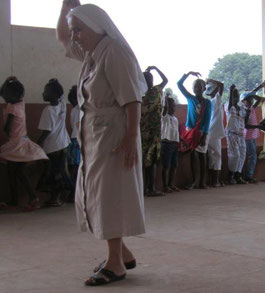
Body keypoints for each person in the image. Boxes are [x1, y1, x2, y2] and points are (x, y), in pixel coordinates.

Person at [58, 1, 147, 285]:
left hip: (114, 136)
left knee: (108, 195)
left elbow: (132, 98)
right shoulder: (92, 54)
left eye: (79, 30)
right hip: (96, 136)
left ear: (96, 27)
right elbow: (61, 37)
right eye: (74, 30)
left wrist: (131, 138)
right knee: (95, 194)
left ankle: (115, 264)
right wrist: (66, 7)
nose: (74, 36)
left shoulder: (114, 52)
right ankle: (123, 253)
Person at [0, 77, 48, 211]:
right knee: (15, 172)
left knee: (17, 172)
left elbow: (6, 128)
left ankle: (31, 198)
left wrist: (6, 83)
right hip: (23, 141)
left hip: (15, 144)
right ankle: (18, 199)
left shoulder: (11, 109)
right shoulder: (21, 103)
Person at [37, 78, 73, 207]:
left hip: (52, 147)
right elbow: (62, 96)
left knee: (53, 173)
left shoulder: (48, 110)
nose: (43, 94)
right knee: (62, 170)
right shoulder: (62, 105)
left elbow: (46, 131)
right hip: (63, 144)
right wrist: (56, 82)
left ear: (54, 95)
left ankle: (55, 198)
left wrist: (37, 144)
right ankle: (70, 193)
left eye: (46, 91)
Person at [178, 71, 213, 189]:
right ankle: (194, 182)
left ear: (204, 89)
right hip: (191, 131)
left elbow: (207, 120)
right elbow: (179, 84)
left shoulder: (207, 102)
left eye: (200, 86)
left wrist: (204, 135)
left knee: (202, 156)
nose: (197, 88)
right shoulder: (190, 98)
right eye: (195, 86)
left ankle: (202, 182)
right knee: (193, 155)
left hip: (202, 132)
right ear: (193, 89)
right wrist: (187, 74)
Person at [141, 65, 168, 197]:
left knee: (149, 161)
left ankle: (148, 188)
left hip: (150, 133)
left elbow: (165, 81)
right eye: (148, 79)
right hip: (148, 133)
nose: (150, 81)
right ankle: (149, 188)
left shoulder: (144, 93)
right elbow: (165, 80)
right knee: (150, 161)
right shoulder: (148, 92)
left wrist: (155, 69)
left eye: (150, 79)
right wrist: (156, 69)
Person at [225, 85, 248, 184]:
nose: (235, 97)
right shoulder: (228, 105)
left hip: (241, 134)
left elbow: (245, 121)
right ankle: (230, 175)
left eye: (237, 96)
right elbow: (230, 105)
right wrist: (230, 91)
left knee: (242, 154)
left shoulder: (242, 107)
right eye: (233, 96)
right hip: (232, 134)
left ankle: (238, 175)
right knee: (235, 155)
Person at [205, 78, 225, 187]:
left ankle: (213, 180)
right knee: (217, 156)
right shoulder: (216, 100)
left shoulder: (208, 102)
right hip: (215, 132)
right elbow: (221, 85)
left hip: (209, 131)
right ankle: (215, 181)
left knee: (211, 157)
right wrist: (211, 80)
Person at [160, 94, 180, 192]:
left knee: (174, 165)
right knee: (166, 165)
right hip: (166, 143)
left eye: (174, 106)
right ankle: (165, 186)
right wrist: (165, 100)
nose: (173, 107)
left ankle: (171, 184)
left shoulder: (175, 119)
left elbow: (176, 132)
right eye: (171, 105)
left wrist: (181, 140)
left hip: (174, 144)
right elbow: (164, 109)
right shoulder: (164, 117)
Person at [242, 91, 262, 183]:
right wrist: (258, 126)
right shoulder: (245, 111)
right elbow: (245, 125)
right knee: (252, 156)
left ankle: (248, 175)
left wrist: (251, 94)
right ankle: (248, 176)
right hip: (248, 136)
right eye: (248, 100)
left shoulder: (252, 108)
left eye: (251, 99)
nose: (250, 101)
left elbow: (259, 99)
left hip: (252, 136)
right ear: (243, 101)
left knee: (251, 156)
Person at [67, 85, 80, 195]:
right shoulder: (76, 109)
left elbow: (74, 126)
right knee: (75, 167)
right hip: (76, 139)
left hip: (77, 140)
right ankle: (74, 191)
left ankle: (74, 191)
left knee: (75, 167)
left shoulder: (78, 109)